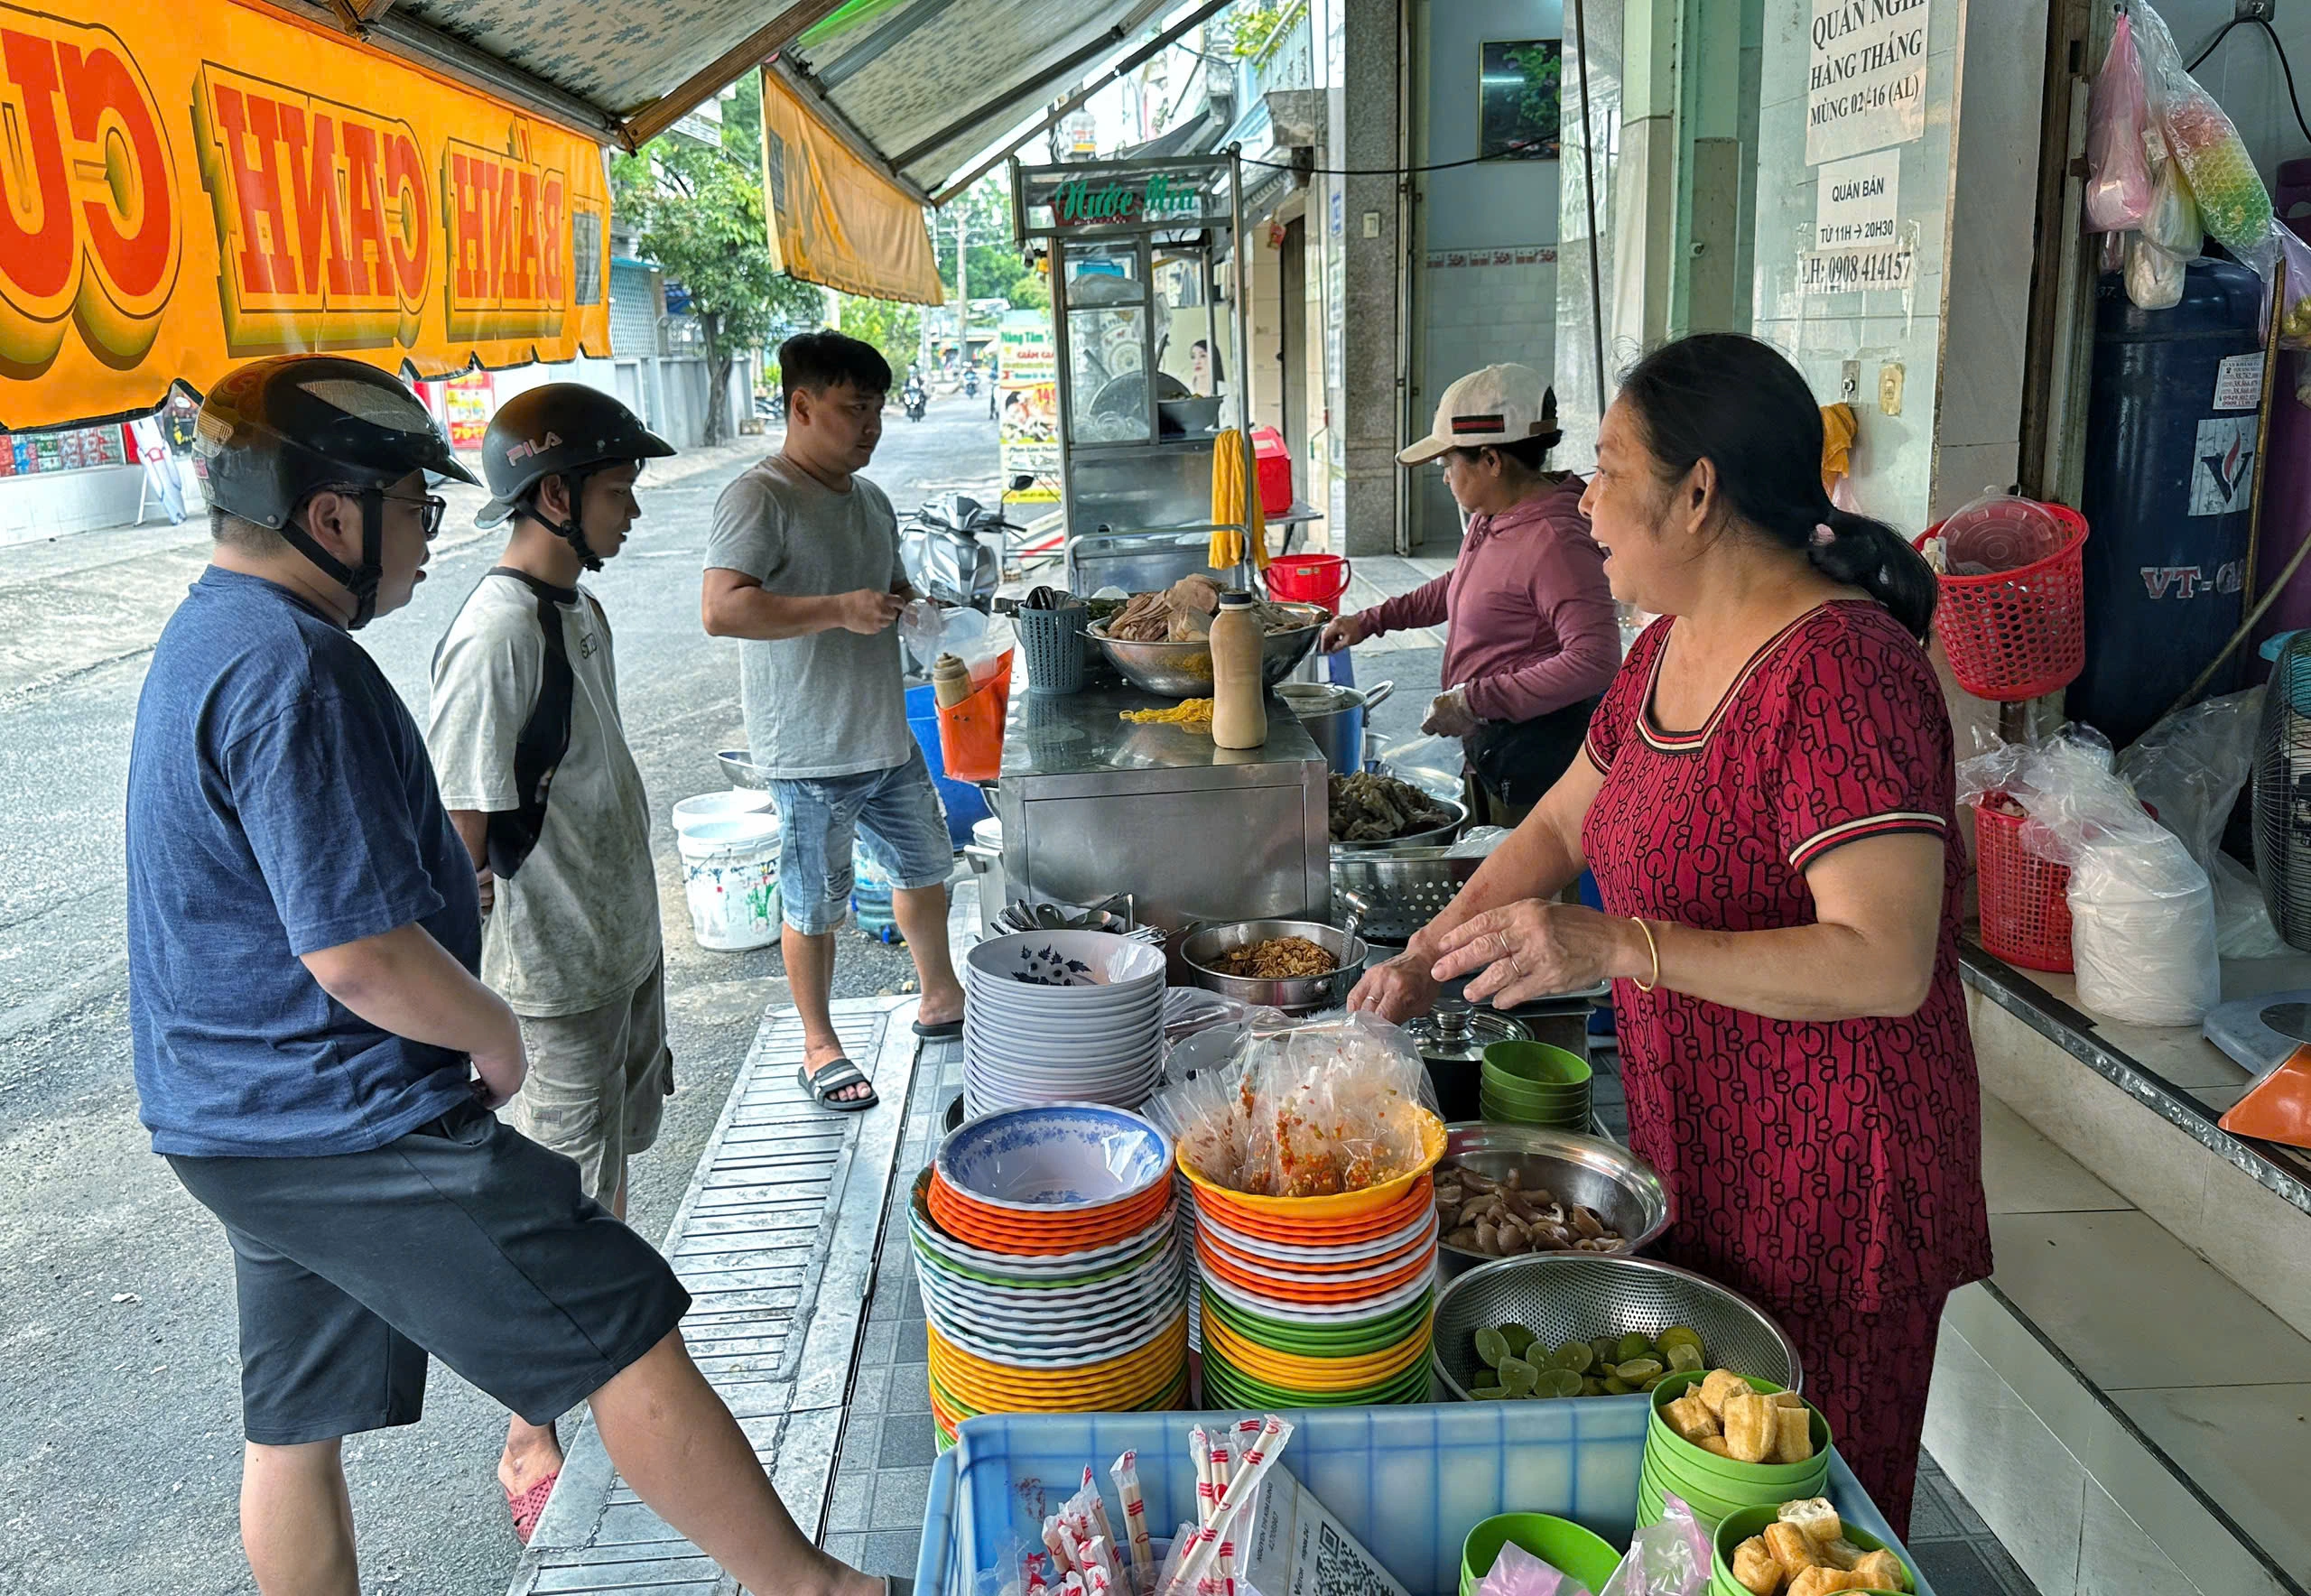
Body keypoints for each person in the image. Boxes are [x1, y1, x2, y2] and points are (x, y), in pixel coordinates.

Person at [128, 356, 896, 1596]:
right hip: (339, 1115)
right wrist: (489, 1028)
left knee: (294, 1423)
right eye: (412, 513)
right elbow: (355, 953)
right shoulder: (293, 670)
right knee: (621, 1319)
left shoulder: (214, 633)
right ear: (332, 515)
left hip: (236, 1121)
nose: (429, 541)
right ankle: (816, 1588)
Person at [1349, 334, 1991, 1534]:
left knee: (1802, 1515)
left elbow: (1886, 959)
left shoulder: (1845, 675)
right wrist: (1420, 959)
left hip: (1841, 1171)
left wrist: (1619, 949)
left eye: (1605, 466)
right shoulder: (1661, 651)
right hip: (1702, 1139)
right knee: (1701, 1489)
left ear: (1698, 493)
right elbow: (1550, 833)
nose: (1583, 498)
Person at [424, 383, 677, 1540]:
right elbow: (457, 839)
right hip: (552, 978)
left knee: (607, 1181)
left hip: (618, 947)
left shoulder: (578, 609)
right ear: (557, 495)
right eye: (618, 493)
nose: (631, 514)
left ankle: (610, 1371)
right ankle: (530, 1431)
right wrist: (466, 1014)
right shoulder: (496, 632)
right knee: (558, 1204)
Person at [701, 330, 969, 1110]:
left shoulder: (873, 501)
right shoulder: (761, 496)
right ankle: (818, 1044)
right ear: (801, 405)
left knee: (927, 868)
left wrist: (916, 612)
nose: (871, 427)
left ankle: (940, 995)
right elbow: (722, 609)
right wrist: (837, 610)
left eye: (878, 410)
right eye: (854, 409)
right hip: (810, 746)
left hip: (885, 732)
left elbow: (887, 592)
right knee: (815, 900)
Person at [1320, 366, 1619, 826]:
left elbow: (1595, 659)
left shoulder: (1554, 541)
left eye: (1448, 465)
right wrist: (1371, 621)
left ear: (1491, 460)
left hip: (1538, 754)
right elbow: (1460, 586)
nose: (1443, 478)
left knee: (1523, 884)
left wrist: (1474, 700)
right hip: (1491, 743)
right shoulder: (1494, 514)